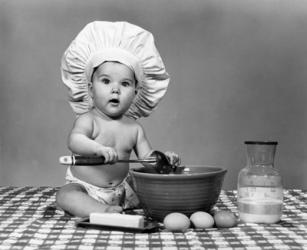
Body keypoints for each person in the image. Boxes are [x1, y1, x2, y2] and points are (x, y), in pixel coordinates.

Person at [56, 21, 180, 217]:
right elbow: (75, 141)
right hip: (86, 188)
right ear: (90, 89)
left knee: (155, 187)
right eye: (105, 81)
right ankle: (102, 211)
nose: (115, 89)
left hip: (124, 191)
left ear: (136, 92)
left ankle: (121, 207)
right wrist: (98, 149)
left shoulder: (134, 129)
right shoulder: (89, 120)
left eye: (125, 83)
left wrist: (162, 160)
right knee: (66, 195)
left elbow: (146, 159)